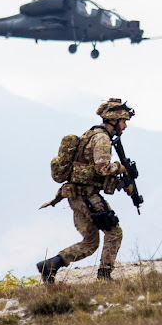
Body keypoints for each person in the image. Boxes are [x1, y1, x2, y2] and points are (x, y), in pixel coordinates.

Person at [36, 98, 135, 283]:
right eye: (124, 121)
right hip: (87, 196)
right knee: (114, 232)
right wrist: (119, 168)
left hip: (75, 196)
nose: (125, 126)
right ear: (114, 119)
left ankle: (51, 265)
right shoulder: (102, 138)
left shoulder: (90, 134)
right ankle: (104, 276)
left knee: (90, 242)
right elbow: (102, 168)